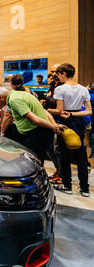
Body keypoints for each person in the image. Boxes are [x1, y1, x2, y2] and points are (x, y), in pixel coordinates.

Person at [47, 63, 92, 197]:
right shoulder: (83, 89)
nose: (58, 77)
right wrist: (73, 113)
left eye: (59, 74)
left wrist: (48, 110)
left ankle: (67, 185)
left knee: (64, 155)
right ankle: (85, 188)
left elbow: (60, 110)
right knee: (80, 155)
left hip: (65, 122)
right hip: (79, 122)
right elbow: (89, 112)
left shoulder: (61, 89)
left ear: (64, 74)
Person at [0, 85, 65, 165]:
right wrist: (54, 125)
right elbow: (44, 112)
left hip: (37, 133)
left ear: (0, 97)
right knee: (37, 161)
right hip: (40, 132)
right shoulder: (22, 94)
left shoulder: (14, 100)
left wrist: (55, 127)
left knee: (32, 163)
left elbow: (35, 120)